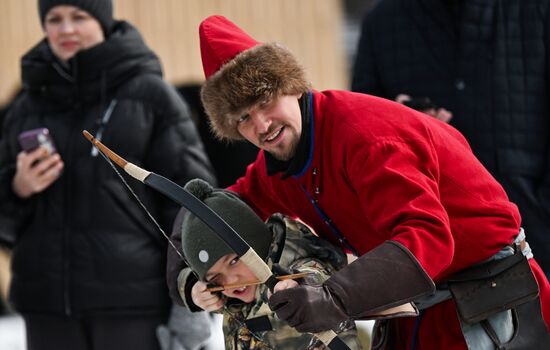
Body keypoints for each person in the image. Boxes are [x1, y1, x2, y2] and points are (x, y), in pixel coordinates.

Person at [168, 15, 550, 350]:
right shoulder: (277, 167)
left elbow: (428, 237)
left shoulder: (365, 138)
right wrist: (194, 277)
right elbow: (215, 210)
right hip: (417, 309)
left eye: (265, 102)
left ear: (292, 86)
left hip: (491, 300)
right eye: (243, 119)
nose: (261, 125)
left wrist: (332, 297)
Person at [0, 1, 216, 350]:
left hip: (133, 305)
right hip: (47, 309)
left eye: (78, 17)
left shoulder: (151, 96)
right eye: (54, 19)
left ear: (102, 21)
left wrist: (189, 286)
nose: (65, 29)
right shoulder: (26, 107)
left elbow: (189, 201)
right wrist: (17, 188)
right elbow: (7, 227)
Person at [350, 0, 550, 278]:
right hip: (440, 258)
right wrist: (403, 126)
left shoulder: (537, 11)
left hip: (537, 239)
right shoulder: (382, 24)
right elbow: (359, 139)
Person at [176, 178, 362, 350]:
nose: (231, 280)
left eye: (234, 261)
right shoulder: (233, 301)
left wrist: (300, 291)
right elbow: (197, 286)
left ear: (256, 245)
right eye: (216, 278)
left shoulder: (298, 266)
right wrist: (194, 290)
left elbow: (314, 278)